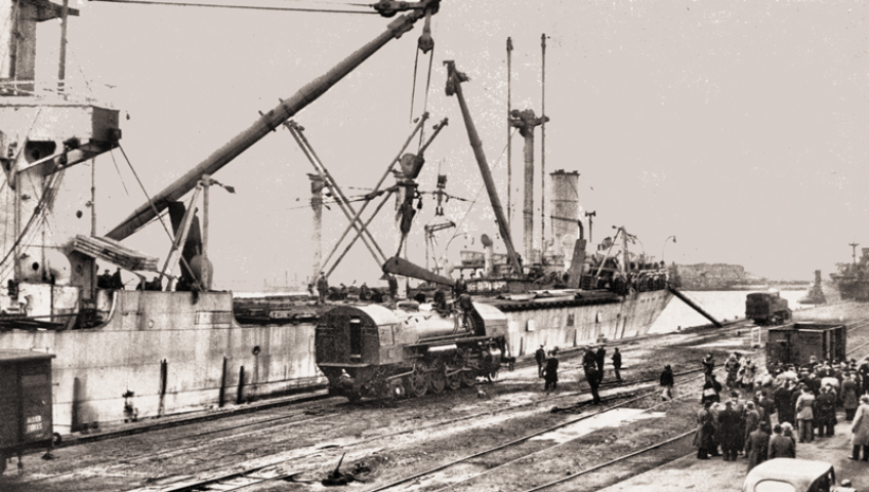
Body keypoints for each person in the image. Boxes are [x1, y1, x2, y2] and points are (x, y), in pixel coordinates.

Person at [849, 394, 869, 461]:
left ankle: (855, 456)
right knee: (866, 442)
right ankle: (865, 457)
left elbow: (858, 418)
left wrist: (853, 426)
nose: (859, 401)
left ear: (862, 401)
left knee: (856, 442)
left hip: (860, 427)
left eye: (860, 400)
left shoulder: (861, 407)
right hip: (867, 427)